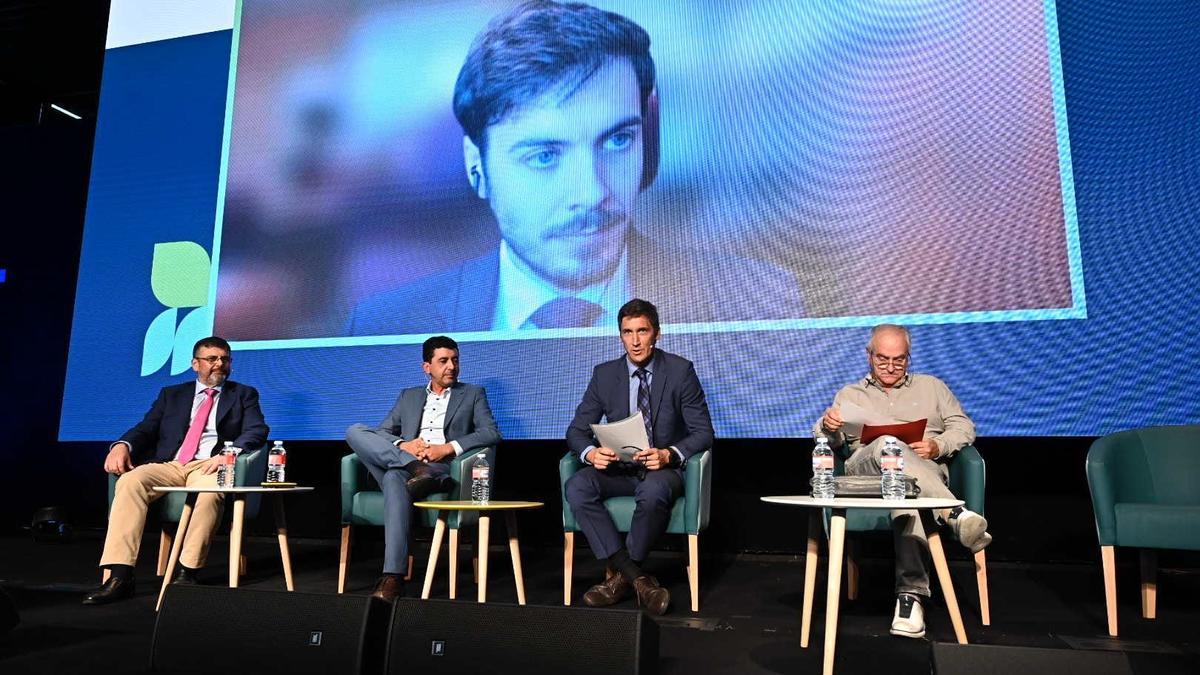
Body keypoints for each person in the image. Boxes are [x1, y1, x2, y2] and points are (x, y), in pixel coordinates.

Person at [347, 0, 804, 336]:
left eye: (618, 140)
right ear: (477, 167)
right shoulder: (384, 328)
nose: (591, 191)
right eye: (544, 156)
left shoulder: (760, 302)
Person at [814, 324, 991, 638]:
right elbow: (829, 438)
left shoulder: (932, 387)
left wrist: (939, 445)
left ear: (909, 358)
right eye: (883, 360)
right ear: (869, 356)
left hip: (921, 474)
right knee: (887, 443)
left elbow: (964, 427)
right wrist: (829, 425)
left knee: (906, 493)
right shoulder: (850, 393)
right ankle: (954, 514)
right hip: (867, 475)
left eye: (899, 360)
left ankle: (910, 598)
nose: (890, 367)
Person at [84, 337, 269, 605]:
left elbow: (257, 429)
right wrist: (122, 444)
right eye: (212, 359)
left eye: (225, 359)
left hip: (208, 464)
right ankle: (120, 575)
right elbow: (146, 428)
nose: (220, 364)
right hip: (171, 464)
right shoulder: (172, 394)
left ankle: (188, 572)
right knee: (131, 481)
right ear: (195, 364)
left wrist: (227, 454)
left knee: (209, 490)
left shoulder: (243, 394)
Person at [565, 298, 715, 615]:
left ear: (656, 334)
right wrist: (592, 454)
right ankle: (638, 579)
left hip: (661, 471)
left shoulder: (679, 371)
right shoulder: (605, 374)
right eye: (627, 332)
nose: (635, 341)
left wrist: (668, 454)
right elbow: (576, 431)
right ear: (620, 335)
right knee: (577, 486)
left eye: (642, 331)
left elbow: (703, 432)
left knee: (654, 490)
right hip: (619, 470)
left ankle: (620, 577)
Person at [344, 335, 501, 601]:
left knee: (393, 478)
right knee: (355, 431)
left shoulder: (472, 394)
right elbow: (383, 431)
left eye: (455, 360)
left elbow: (491, 433)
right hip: (411, 463)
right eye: (443, 361)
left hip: (441, 466)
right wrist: (403, 444)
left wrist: (447, 447)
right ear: (426, 367)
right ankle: (415, 468)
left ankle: (392, 576)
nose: (451, 366)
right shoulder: (409, 396)